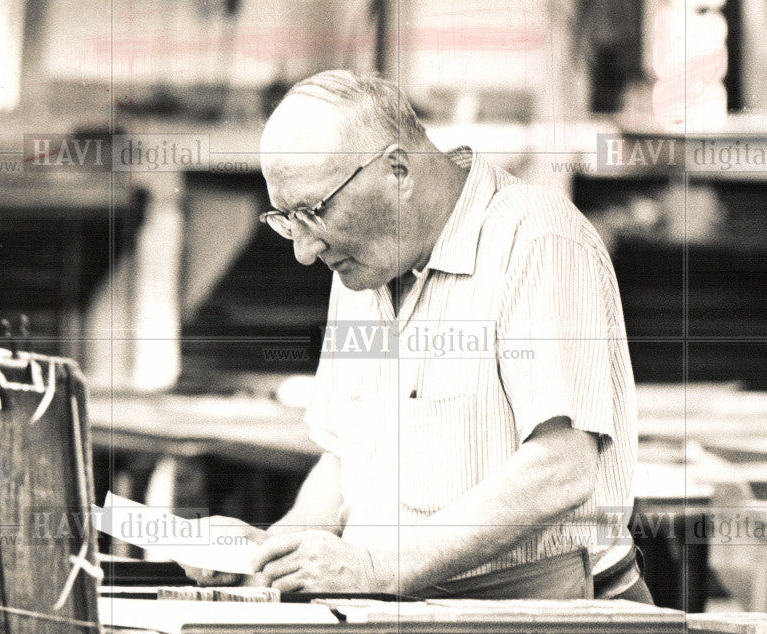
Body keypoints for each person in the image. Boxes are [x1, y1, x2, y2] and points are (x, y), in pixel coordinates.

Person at [208, 70, 650, 601]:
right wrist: (268, 554)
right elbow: (350, 456)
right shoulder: (360, 263)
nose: (304, 251)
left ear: (397, 169)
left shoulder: (538, 241)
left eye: (313, 212)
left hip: (546, 617)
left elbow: (560, 470)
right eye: (287, 220)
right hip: (405, 613)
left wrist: (377, 568)